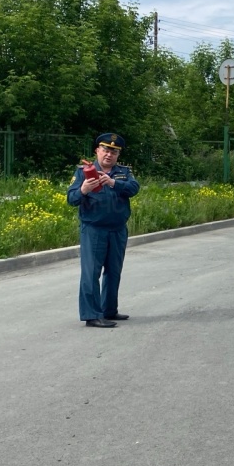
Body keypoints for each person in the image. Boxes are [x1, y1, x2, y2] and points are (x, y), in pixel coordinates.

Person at [67, 133, 140, 328]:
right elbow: (71, 199)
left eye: (114, 152)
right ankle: (92, 315)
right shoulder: (84, 172)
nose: (109, 155)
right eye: (106, 150)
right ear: (97, 151)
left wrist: (113, 182)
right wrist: (83, 189)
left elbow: (134, 188)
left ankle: (109, 310)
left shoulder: (123, 172)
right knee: (91, 273)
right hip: (94, 229)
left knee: (114, 272)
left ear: (118, 155)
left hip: (117, 229)